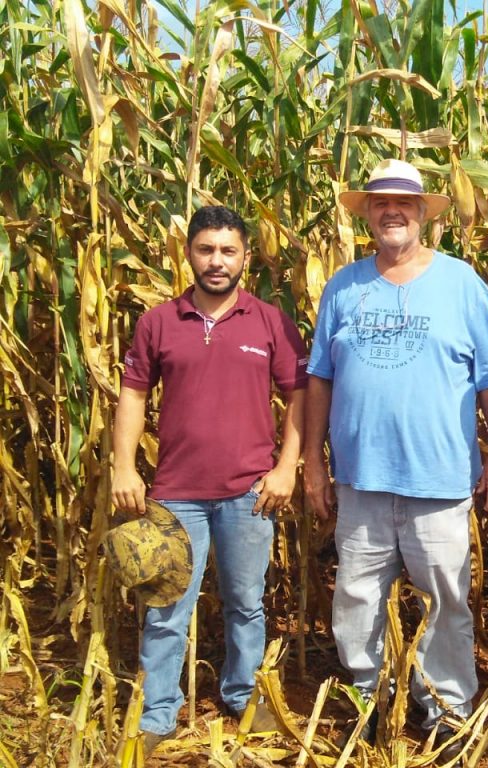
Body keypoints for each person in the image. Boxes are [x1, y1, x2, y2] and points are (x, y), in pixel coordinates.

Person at [302, 159, 488, 748]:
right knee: (356, 599)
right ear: (366, 213)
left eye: (403, 202)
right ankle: (367, 699)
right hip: (360, 480)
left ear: (424, 213)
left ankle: (445, 712)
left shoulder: (461, 283)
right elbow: (319, 376)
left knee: (447, 601)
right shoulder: (344, 286)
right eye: (379, 202)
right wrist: (315, 462)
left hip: (441, 480)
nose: (391, 211)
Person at [111, 205, 307, 755]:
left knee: (247, 602)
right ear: (189, 254)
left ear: (246, 256)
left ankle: (244, 695)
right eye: (206, 249)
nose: (216, 261)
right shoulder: (159, 321)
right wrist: (124, 466)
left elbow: (299, 395)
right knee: (167, 604)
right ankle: (159, 713)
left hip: (250, 491)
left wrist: (287, 465)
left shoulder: (269, 321)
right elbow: (133, 395)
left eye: (228, 250)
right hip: (175, 493)